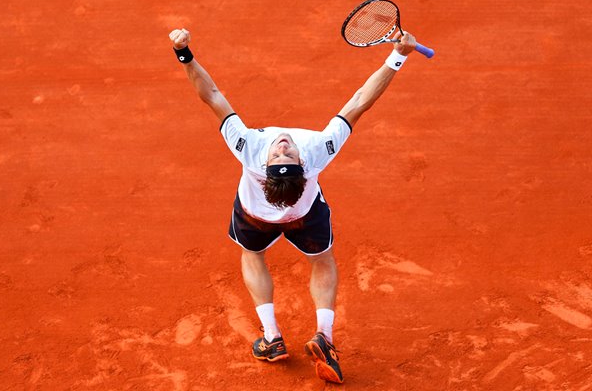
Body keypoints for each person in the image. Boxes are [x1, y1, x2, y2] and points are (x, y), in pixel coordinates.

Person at [169, 27, 416, 384]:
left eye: (282, 152)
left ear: (266, 168)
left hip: (254, 216)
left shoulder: (249, 146)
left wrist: (183, 53)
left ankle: (271, 338)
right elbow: (360, 101)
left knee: (252, 255)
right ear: (303, 167)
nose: (283, 145)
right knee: (322, 260)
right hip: (305, 216)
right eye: (285, 152)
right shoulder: (318, 151)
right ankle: (325, 336)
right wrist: (399, 56)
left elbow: (211, 95)